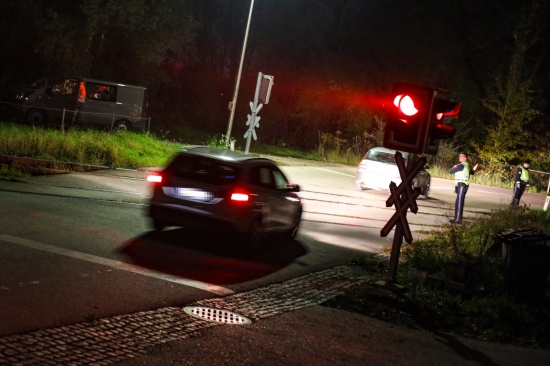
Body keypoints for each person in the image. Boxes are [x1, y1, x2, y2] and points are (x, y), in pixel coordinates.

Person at [449, 152, 471, 224]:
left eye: (461, 156)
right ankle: (457, 218)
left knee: (459, 203)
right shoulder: (467, 165)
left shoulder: (461, 166)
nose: (459, 157)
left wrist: (454, 167)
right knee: (459, 202)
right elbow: (472, 172)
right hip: (462, 185)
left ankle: (457, 220)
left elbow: (451, 171)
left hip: (462, 185)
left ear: (465, 158)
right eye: (459, 156)